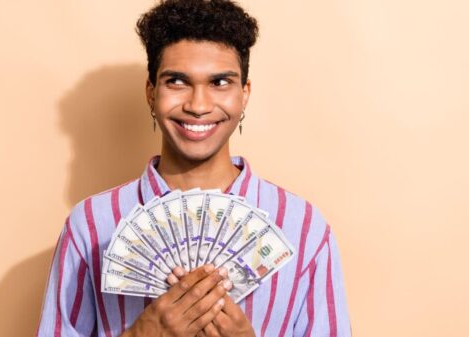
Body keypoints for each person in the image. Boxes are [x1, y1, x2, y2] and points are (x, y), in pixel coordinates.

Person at [36, 1, 351, 336]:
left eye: (220, 82)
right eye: (177, 81)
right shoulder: (90, 226)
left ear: (244, 94)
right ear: (151, 92)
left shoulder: (304, 229)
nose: (198, 106)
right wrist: (142, 333)